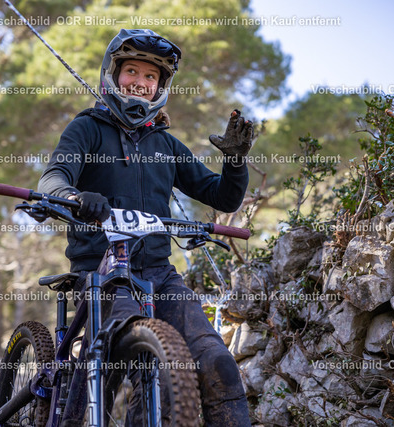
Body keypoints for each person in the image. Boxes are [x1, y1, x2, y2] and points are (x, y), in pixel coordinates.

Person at [38, 28, 253, 427]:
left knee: (219, 363)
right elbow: (52, 178)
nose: (140, 81)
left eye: (150, 76)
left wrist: (236, 161)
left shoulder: (165, 144)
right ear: (113, 75)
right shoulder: (87, 127)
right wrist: (74, 197)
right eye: (132, 71)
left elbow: (221, 197)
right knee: (134, 351)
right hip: (101, 272)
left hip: (158, 275)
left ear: (160, 87)